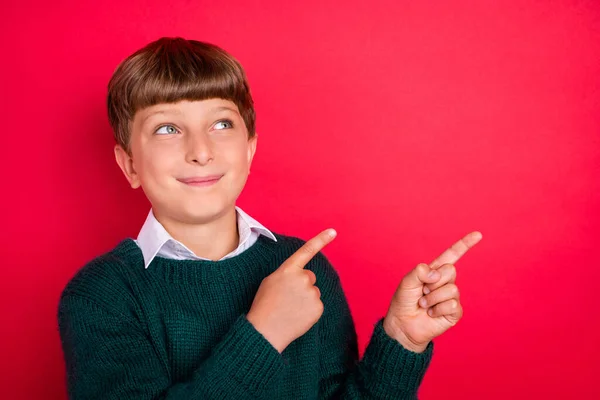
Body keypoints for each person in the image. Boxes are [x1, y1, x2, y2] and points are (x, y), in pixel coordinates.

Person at [57, 36, 482, 399]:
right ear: (129, 164)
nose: (201, 151)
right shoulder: (103, 296)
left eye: (221, 124)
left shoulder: (305, 267)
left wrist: (401, 341)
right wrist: (263, 334)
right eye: (168, 128)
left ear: (250, 148)